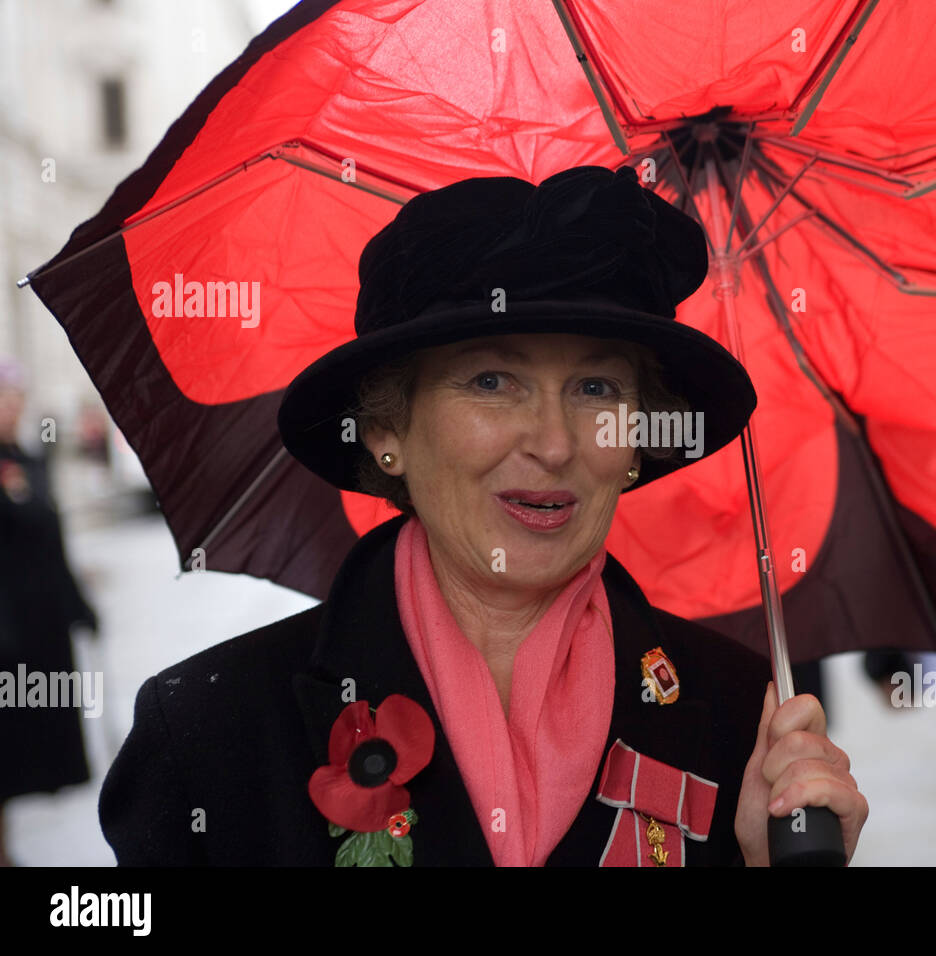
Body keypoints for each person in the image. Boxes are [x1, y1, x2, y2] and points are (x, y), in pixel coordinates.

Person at [99, 165, 868, 866]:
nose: (556, 442)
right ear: (386, 429)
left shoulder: (743, 719)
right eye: (493, 380)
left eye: (597, 389)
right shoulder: (209, 732)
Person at [0, 357, 100, 866]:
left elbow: (51, 543)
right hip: (6, 631)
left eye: (15, 395)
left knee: (28, 745)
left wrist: (80, 606)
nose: (12, 406)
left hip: (39, 629)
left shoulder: (27, 460)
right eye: (3, 396)